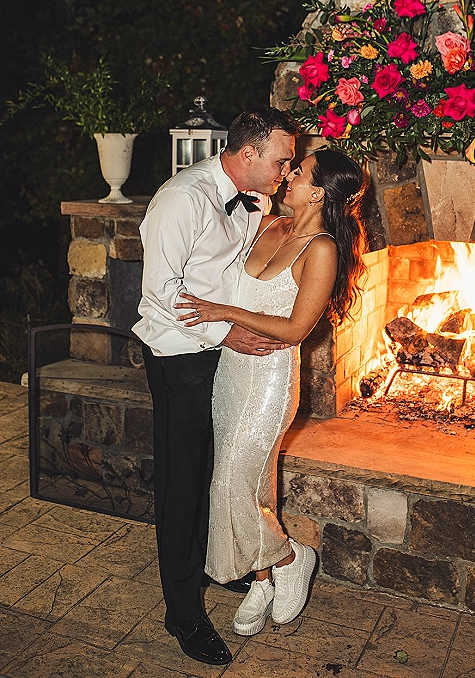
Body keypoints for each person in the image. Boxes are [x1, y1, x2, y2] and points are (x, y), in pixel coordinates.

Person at [175, 148, 367, 638]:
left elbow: (298, 327)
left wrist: (224, 312)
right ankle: (261, 580)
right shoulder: (269, 225)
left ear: (318, 192)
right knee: (252, 485)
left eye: (297, 172)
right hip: (231, 371)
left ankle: (290, 557)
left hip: (269, 381)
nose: (287, 175)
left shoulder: (320, 248)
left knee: (228, 486)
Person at [132, 107, 299, 666]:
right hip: (179, 357)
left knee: (212, 472)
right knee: (182, 485)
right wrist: (231, 332)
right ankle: (182, 611)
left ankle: (208, 567)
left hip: (220, 355)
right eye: (281, 160)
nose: (286, 169)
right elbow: (162, 293)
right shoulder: (182, 199)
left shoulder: (253, 199)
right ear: (248, 154)